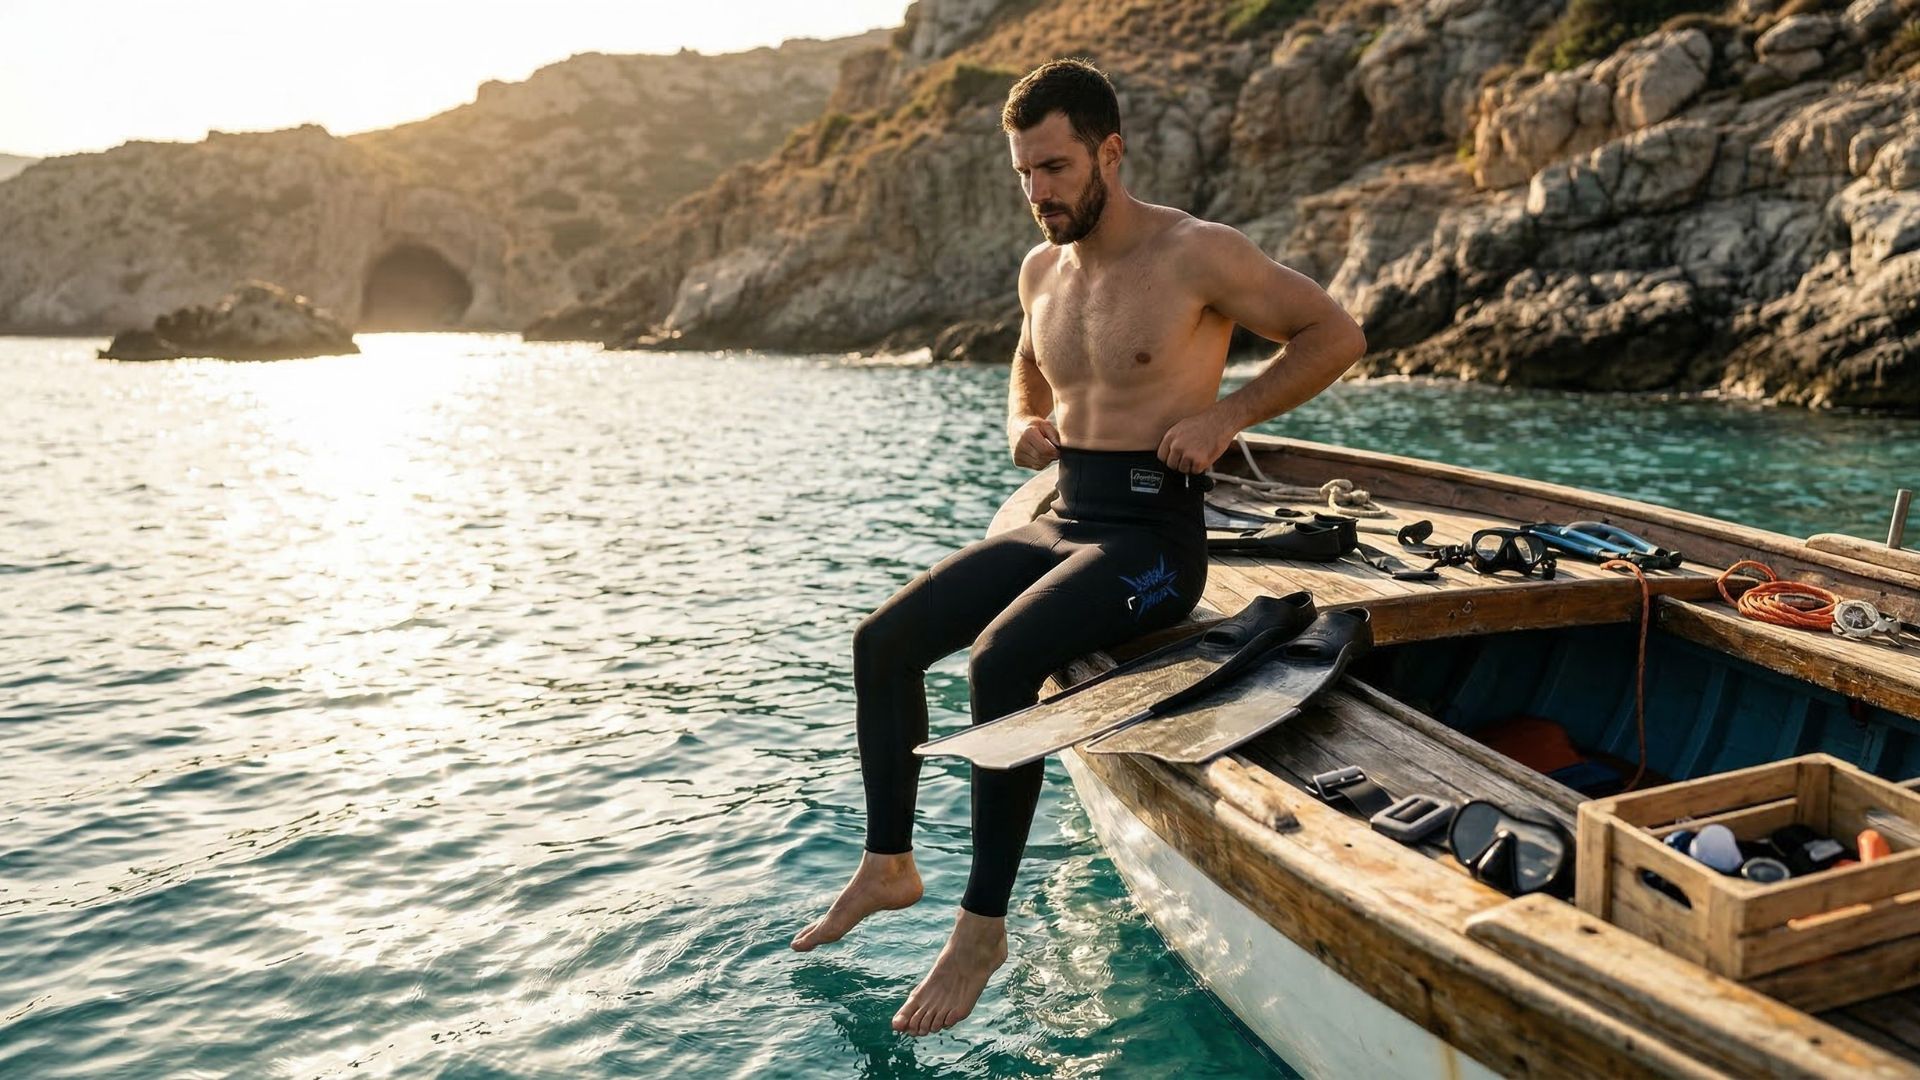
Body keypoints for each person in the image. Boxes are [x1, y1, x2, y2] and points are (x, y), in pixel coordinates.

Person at [791, 58, 1367, 1037]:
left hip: (1154, 537)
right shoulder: (1039, 269)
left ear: (1110, 151)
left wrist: (1229, 414)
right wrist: (1024, 416)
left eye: (1054, 168)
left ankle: (983, 927)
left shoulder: (1198, 254)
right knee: (880, 642)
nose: (1038, 192)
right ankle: (889, 864)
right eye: (1023, 173)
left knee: (1002, 660)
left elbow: (1334, 333)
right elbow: (1029, 358)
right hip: (1065, 511)